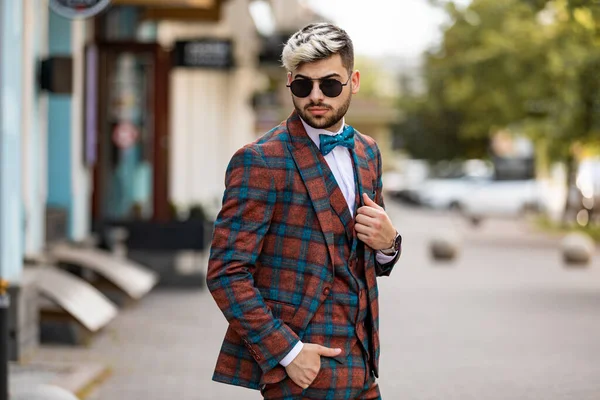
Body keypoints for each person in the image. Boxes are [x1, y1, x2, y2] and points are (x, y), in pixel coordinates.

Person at [207, 22, 402, 400]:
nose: (315, 96)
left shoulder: (367, 152)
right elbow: (226, 273)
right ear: (289, 82)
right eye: (302, 85)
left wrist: (388, 244)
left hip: (363, 367)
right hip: (301, 373)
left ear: (353, 81)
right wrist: (288, 352)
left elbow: (368, 260)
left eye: (329, 84)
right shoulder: (261, 161)